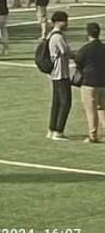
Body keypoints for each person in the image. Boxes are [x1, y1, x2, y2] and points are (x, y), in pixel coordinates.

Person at [74, 22, 105, 143]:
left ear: (88, 34)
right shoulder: (103, 48)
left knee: (91, 111)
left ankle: (93, 134)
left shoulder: (85, 49)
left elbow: (78, 63)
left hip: (89, 83)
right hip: (103, 83)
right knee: (103, 108)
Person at [46, 11, 72, 141]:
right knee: (65, 102)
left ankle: (52, 128)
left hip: (55, 74)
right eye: (65, 21)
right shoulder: (58, 37)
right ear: (58, 22)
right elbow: (66, 52)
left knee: (56, 102)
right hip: (61, 73)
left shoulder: (51, 35)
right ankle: (58, 130)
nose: (67, 23)